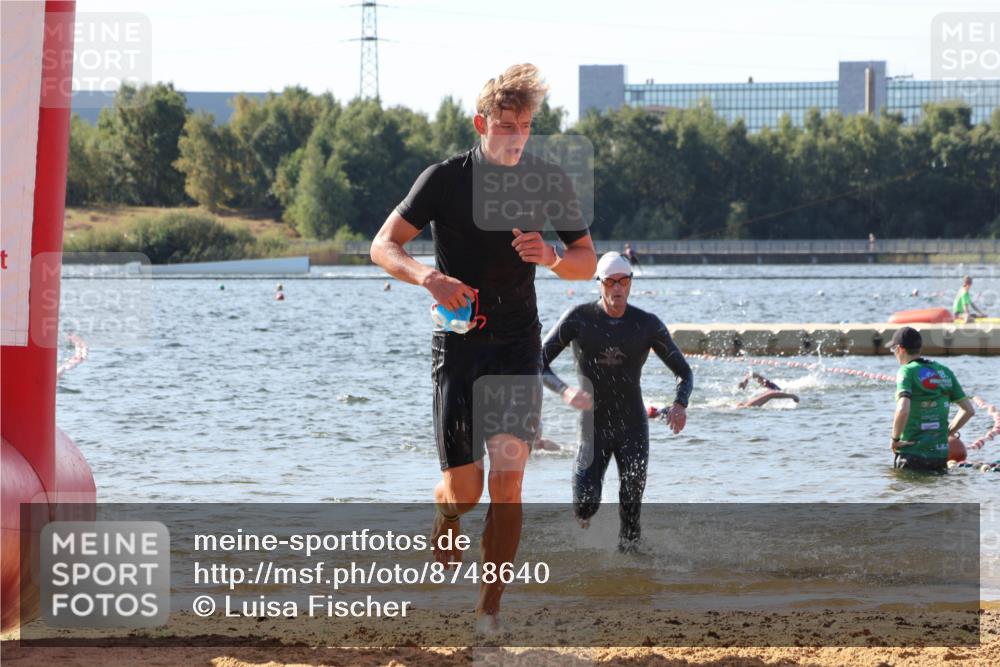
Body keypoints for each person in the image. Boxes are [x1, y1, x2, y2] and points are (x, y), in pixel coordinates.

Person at [369, 63, 596, 633]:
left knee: (509, 481)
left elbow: (586, 261)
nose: (516, 136)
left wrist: (551, 257)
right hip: (460, 345)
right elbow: (383, 245)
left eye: (525, 125)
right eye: (505, 125)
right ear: (481, 123)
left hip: (519, 346)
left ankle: (489, 611)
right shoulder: (444, 179)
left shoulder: (547, 181)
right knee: (466, 491)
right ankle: (446, 515)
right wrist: (428, 278)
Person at [541, 252, 692, 552]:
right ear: (599, 283)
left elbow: (683, 372)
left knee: (631, 517)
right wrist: (565, 390)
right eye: (610, 282)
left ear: (631, 283)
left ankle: (632, 578)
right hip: (592, 427)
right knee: (585, 506)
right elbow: (537, 361)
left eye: (623, 281)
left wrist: (680, 404)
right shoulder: (579, 318)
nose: (617, 288)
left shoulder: (646, 324)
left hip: (632, 426)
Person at [889, 326, 975, 471]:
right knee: (935, 492)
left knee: (904, 492)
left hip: (911, 452)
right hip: (939, 454)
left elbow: (903, 408)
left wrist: (895, 439)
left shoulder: (906, 371)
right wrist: (947, 433)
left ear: (900, 349)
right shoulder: (944, 371)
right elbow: (968, 410)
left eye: (893, 350)